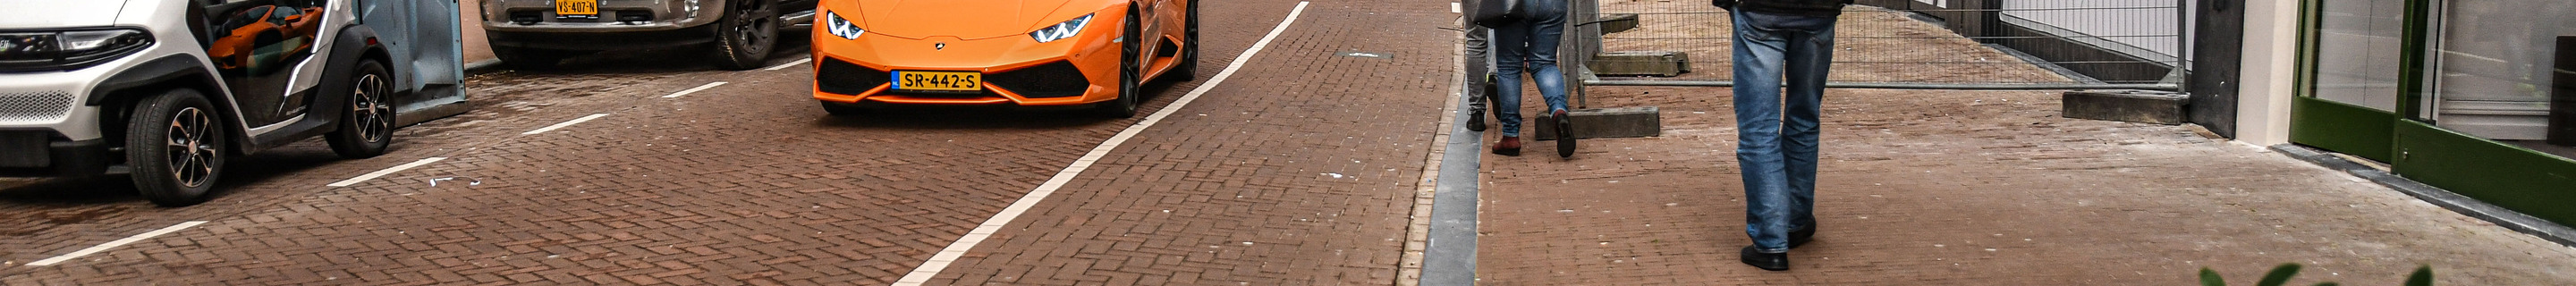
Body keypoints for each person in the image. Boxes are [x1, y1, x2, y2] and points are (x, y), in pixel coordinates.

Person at [1714, 0, 1850, 271]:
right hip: (1818, 12)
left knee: (1759, 129)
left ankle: (1770, 241)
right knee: (1804, 118)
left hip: (1760, 10)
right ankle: (1795, 222)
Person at [1489, 0, 1575, 157]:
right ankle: (1559, 111)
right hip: (1553, 5)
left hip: (1515, 4)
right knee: (1545, 63)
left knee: (1509, 67)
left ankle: (1510, 136)